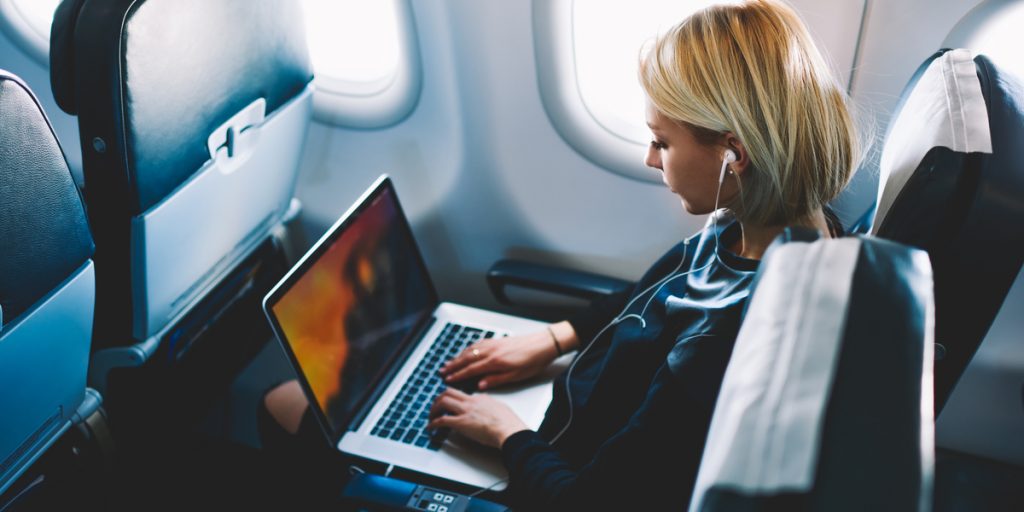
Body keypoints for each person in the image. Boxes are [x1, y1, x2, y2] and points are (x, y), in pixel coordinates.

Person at [259, 0, 860, 508]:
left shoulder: (721, 343)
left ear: (735, 154)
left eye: (662, 142)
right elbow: (651, 298)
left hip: (549, 472)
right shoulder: (766, 230)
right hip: (566, 420)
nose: (651, 160)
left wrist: (507, 437)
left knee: (288, 407)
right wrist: (554, 338)